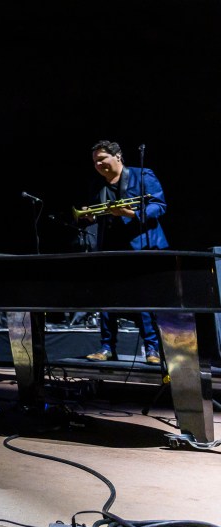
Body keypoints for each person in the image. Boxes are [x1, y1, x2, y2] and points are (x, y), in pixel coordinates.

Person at [81, 140, 166, 364]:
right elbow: (96, 212)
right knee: (107, 299)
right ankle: (107, 348)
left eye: (102, 159)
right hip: (110, 247)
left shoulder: (142, 175)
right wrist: (90, 216)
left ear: (118, 156)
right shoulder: (97, 185)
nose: (98, 164)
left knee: (144, 300)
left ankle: (152, 350)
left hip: (141, 245)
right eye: (95, 161)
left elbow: (159, 205)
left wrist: (131, 214)